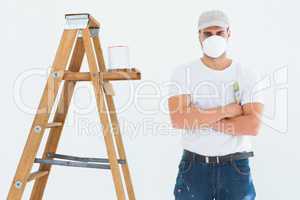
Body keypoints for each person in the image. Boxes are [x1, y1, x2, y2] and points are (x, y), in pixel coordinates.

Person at [168, 10, 264, 200]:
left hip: (235, 167)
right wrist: (228, 110)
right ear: (199, 36)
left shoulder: (246, 74)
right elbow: (179, 120)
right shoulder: (183, 73)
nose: (214, 38)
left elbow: (252, 126)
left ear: (229, 33)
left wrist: (199, 117)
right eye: (208, 33)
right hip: (194, 166)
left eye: (219, 33)